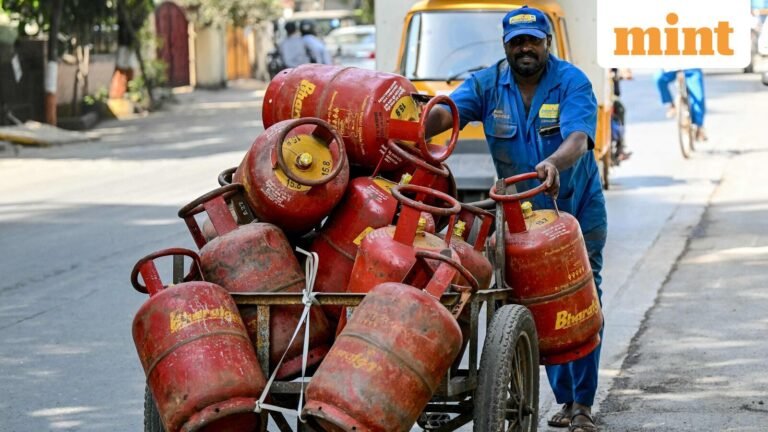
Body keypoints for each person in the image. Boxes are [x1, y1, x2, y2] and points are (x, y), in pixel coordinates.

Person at [425, 6, 607, 432]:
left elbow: (579, 137)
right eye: (517, 41)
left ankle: (581, 403)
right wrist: (410, 128)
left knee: (578, 299)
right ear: (506, 45)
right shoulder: (488, 84)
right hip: (520, 216)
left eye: (533, 40)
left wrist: (553, 164)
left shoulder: (571, 82)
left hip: (574, 210)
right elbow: (447, 113)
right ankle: (562, 399)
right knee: (532, 299)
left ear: (547, 43)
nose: (525, 48)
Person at [654, 69, 707, 141]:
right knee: (658, 78)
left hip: (691, 67)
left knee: (699, 97)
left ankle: (698, 126)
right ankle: (670, 105)